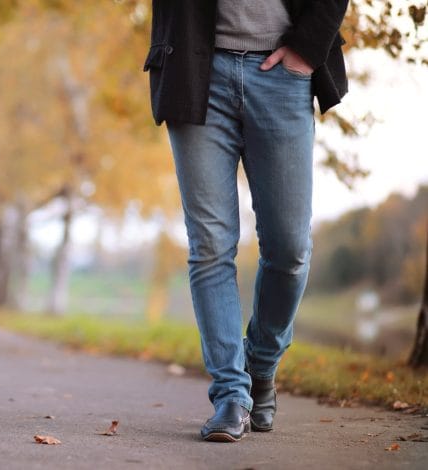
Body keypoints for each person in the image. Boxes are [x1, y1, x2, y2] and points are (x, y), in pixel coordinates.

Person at [143, 1, 349, 442]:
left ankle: (261, 364)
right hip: (196, 71)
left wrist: (306, 51)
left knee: (290, 249)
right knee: (211, 247)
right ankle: (231, 396)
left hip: (283, 72)